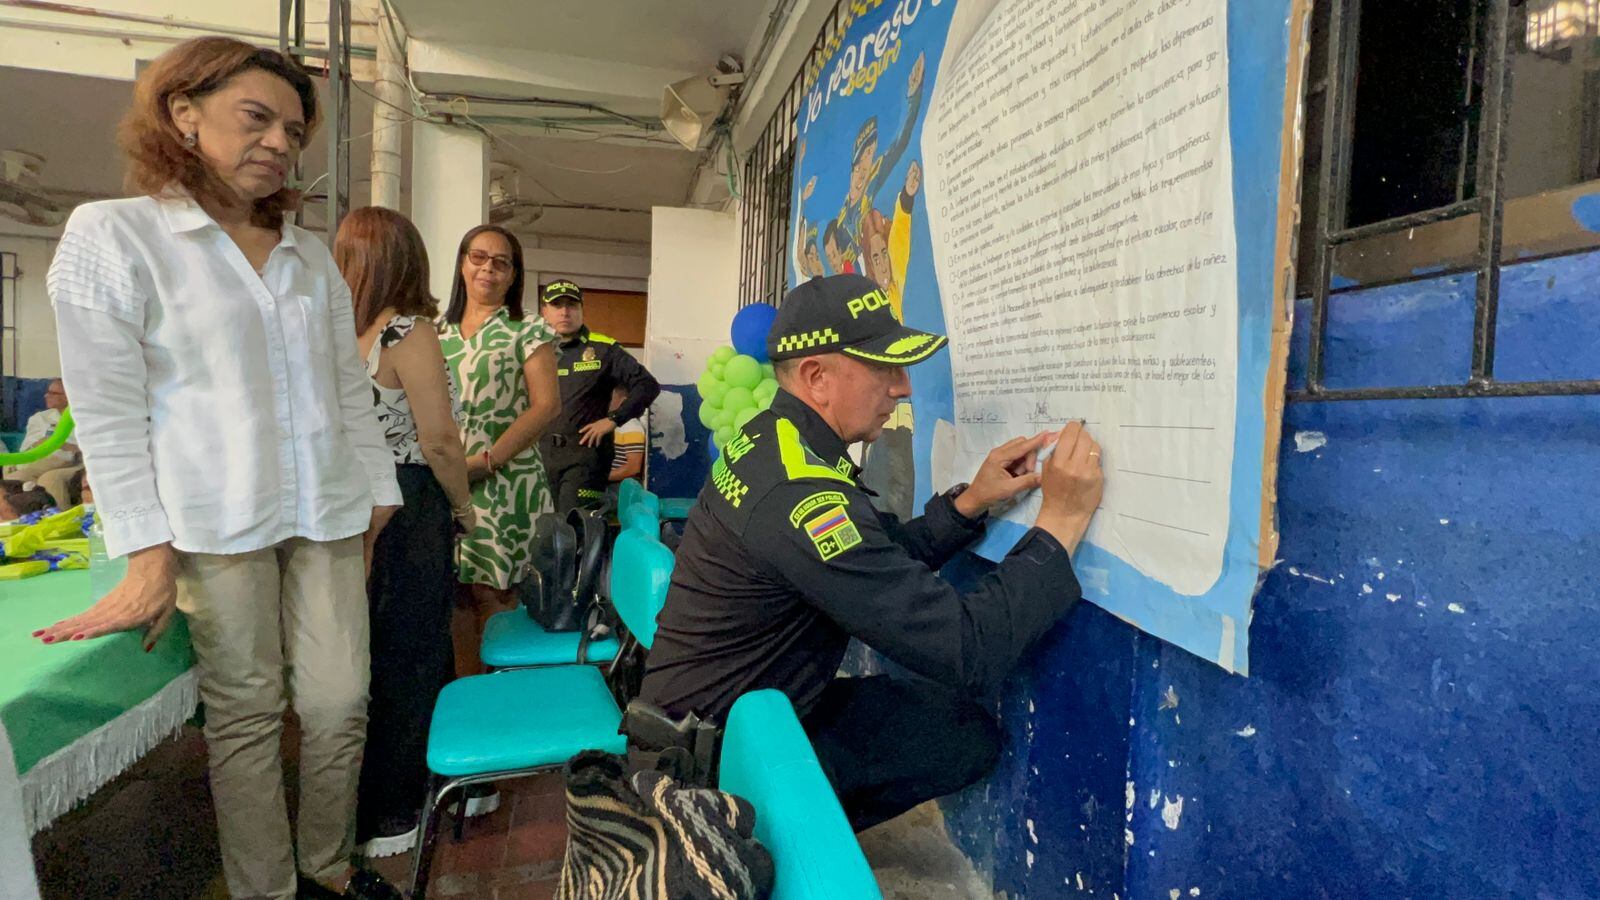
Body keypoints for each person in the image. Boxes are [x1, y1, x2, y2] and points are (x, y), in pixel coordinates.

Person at [32, 37, 403, 900]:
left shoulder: (308, 255)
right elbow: (110, 413)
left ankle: (327, 870)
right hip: (214, 519)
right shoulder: (116, 235)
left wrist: (380, 496)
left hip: (328, 512)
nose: (278, 143)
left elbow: (347, 390)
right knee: (245, 714)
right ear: (183, 113)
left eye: (294, 131)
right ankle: (266, 889)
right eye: (256, 118)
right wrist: (145, 554)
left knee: (340, 702)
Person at [640, 273, 1104, 832]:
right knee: (962, 737)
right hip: (711, 767)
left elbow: (871, 557)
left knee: (953, 728)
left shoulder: (774, 438)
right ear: (816, 378)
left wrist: (970, 503)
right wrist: (1061, 523)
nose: (903, 388)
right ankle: (771, 839)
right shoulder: (798, 493)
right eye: (885, 368)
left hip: (736, 713)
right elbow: (969, 648)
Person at [334, 207, 475, 858]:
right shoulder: (407, 332)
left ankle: (368, 800)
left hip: (348, 502)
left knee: (363, 655)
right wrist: (463, 506)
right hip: (408, 500)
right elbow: (438, 439)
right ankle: (397, 810)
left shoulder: (334, 331)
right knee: (412, 652)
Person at [436, 225, 560, 689]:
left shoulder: (527, 329)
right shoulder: (435, 332)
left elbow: (546, 406)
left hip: (506, 481)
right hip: (445, 481)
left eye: (501, 262)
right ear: (462, 263)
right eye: (478, 257)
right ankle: (467, 695)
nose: (488, 268)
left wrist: (486, 461)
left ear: (513, 275)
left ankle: (501, 698)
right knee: (456, 594)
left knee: (496, 594)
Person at [537, 280, 660, 512]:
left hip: (585, 457)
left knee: (575, 527)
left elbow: (647, 385)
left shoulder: (604, 349)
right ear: (545, 311)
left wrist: (614, 419)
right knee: (541, 527)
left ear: (582, 309)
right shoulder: (534, 349)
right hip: (540, 456)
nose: (564, 312)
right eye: (557, 305)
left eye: (572, 305)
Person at [3, 379, 83, 507]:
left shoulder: (83, 419)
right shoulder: (40, 418)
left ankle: (58, 517)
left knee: (50, 479)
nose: (46, 396)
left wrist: (64, 446)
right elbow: (26, 450)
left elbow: (93, 449)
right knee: (13, 479)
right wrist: (39, 444)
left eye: (53, 393)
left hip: (74, 464)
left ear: (68, 396)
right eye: (47, 392)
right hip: (40, 462)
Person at [607, 386, 645, 485]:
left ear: (623, 401)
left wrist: (600, 477)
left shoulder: (631, 427)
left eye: (610, 398)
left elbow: (633, 469)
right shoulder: (610, 424)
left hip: (616, 486)